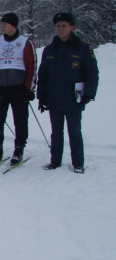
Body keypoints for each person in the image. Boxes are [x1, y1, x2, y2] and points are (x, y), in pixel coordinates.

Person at [37, 12, 99, 173]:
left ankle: (78, 163)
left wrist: (89, 94)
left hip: (74, 98)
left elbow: (92, 73)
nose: (60, 29)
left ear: (72, 27)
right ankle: (55, 161)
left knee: (74, 132)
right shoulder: (50, 50)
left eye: (64, 26)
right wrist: (41, 96)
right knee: (56, 132)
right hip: (54, 97)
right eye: (58, 26)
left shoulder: (83, 48)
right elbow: (43, 75)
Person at [0, 12, 37, 165]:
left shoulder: (25, 42)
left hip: (18, 88)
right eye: (1, 24)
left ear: (13, 25)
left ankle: (19, 149)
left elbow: (32, 66)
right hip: (0, 88)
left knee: (20, 121)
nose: (2, 27)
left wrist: (29, 88)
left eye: (4, 24)